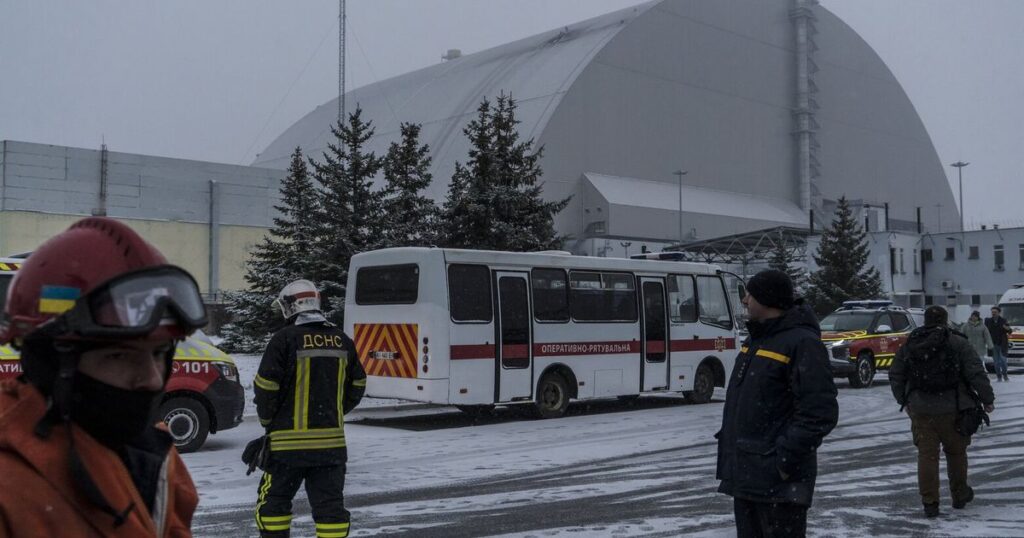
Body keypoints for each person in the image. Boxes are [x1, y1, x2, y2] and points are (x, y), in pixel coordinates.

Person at [0, 217, 202, 536]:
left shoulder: (157, 457)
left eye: (160, 352)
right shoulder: (9, 489)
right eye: (119, 355)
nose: (151, 379)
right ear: (50, 361)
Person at [716, 269, 839, 538]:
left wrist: (782, 460)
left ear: (768, 300)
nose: (745, 300)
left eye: (750, 294)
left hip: (778, 483)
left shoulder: (802, 343)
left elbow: (819, 412)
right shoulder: (757, 340)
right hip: (748, 476)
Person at [252, 279, 366, 538]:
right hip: (330, 449)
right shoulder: (342, 340)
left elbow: (265, 387)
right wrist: (334, 410)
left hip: (286, 449)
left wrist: (269, 422)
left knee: (274, 506)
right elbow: (358, 383)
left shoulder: (284, 339)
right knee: (330, 511)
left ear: (290, 307)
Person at [889, 306, 995, 518]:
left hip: (920, 409)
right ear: (945, 321)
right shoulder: (957, 342)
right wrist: (987, 400)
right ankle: (959, 494)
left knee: (927, 456)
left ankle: (930, 502)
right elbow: (975, 372)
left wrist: (905, 401)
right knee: (956, 454)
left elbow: (896, 374)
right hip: (953, 408)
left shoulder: (911, 343)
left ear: (925, 321)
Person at [985, 307, 1013, 381]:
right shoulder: (988, 321)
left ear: (999, 313)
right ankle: (999, 376)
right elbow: (985, 332)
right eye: (992, 312)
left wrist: (1007, 329)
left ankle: (1005, 375)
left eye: (995, 312)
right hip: (993, 344)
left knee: (1003, 360)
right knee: (996, 362)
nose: (993, 313)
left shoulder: (1003, 320)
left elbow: (1010, 331)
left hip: (1002, 344)